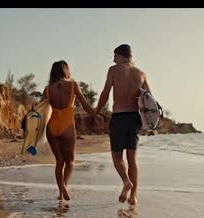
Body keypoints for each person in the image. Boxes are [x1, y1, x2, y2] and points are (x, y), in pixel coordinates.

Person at [94, 44, 152, 206]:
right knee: (132, 159)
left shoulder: (113, 70)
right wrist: (148, 124)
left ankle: (126, 182)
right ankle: (133, 196)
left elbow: (105, 93)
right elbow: (149, 101)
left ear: (123, 56)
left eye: (115, 56)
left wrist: (96, 110)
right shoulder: (141, 74)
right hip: (134, 119)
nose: (113, 59)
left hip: (119, 117)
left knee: (117, 157)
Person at [42, 60, 94, 201]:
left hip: (52, 127)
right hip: (67, 127)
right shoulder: (72, 85)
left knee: (59, 162)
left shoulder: (47, 89)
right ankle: (64, 186)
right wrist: (96, 112)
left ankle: (61, 190)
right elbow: (84, 105)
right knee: (70, 162)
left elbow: (41, 111)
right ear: (66, 70)